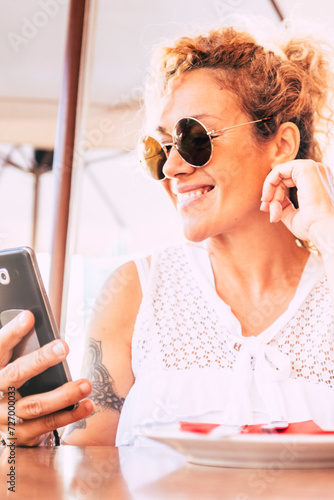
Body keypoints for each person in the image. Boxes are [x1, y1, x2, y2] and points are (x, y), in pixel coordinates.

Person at [1, 20, 334, 447]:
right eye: (159, 150)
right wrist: (18, 442)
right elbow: (86, 477)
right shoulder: (135, 292)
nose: (174, 169)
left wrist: (325, 229)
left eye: (195, 138)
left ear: (282, 144)